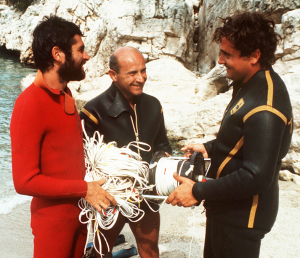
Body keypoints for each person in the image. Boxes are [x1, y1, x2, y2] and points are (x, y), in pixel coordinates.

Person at [166, 11, 293, 258]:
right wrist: (210, 147)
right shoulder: (249, 83)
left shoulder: (265, 106)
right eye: (221, 53)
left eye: (228, 55)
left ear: (255, 56)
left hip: (243, 218)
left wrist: (196, 191)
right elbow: (246, 138)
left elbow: (256, 176)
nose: (221, 61)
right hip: (227, 208)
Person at [10, 16, 117, 258]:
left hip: (80, 218)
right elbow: (24, 181)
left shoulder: (66, 93)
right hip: (53, 227)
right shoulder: (29, 104)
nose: (87, 56)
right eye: (80, 49)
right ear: (58, 54)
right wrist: (83, 189)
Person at [80, 46, 172, 257]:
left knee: (150, 248)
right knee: (101, 252)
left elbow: (162, 146)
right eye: (132, 73)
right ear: (113, 75)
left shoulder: (153, 105)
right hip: (110, 195)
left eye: (143, 71)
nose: (140, 78)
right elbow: (83, 161)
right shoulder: (93, 111)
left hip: (145, 193)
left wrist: (167, 166)